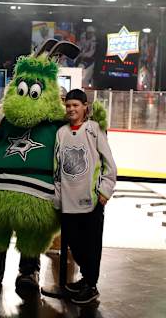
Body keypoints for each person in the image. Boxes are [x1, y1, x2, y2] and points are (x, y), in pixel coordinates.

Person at [54, 89, 117, 304]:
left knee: (91, 246)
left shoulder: (94, 129)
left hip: (92, 202)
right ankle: (85, 280)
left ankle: (91, 285)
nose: (71, 109)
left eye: (76, 105)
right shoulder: (61, 132)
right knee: (75, 244)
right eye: (68, 105)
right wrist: (58, 196)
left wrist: (105, 190)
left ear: (85, 107)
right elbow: (57, 167)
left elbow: (110, 164)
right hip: (68, 202)